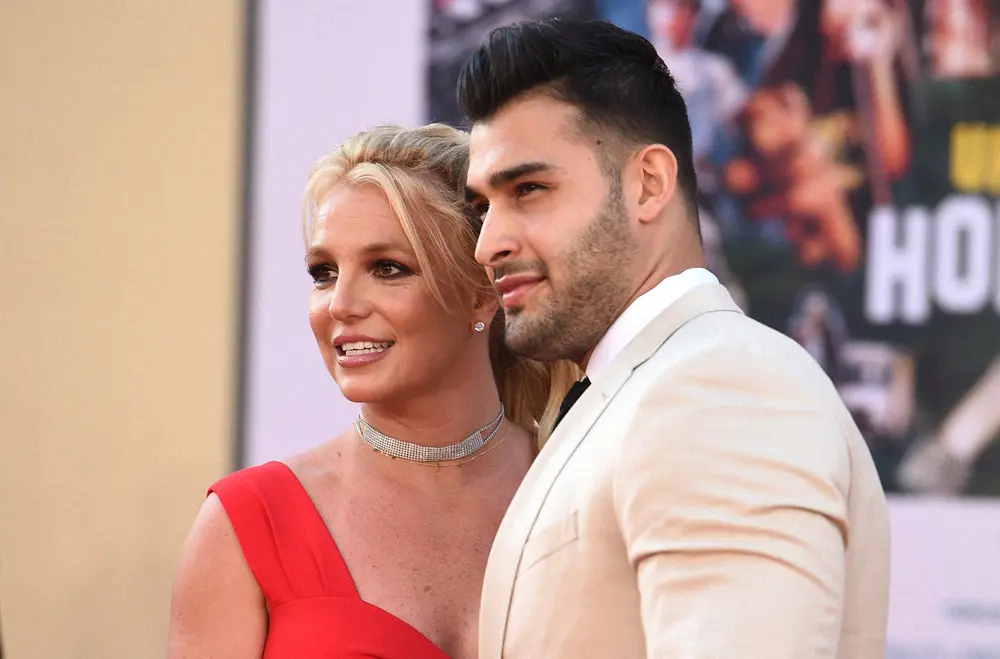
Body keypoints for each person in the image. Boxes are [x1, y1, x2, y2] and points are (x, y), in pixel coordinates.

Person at [458, 18, 891, 658]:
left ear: (649, 184)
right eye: (483, 207)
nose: (487, 243)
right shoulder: (657, 387)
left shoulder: (720, 391)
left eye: (529, 189)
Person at [167, 124, 578, 659]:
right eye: (323, 272)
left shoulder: (582, 489)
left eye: (387, 268)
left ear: (482, 293)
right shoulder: (246, 525)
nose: (340, 304)